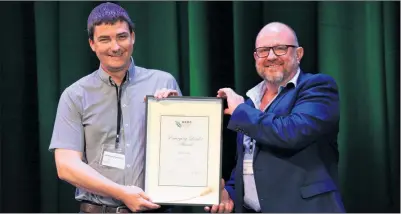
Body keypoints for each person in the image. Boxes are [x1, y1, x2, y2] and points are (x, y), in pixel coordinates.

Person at [48, 2, 181, 213]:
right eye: (104, 39)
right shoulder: (75, 95)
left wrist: (176, 116)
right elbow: (66, 166)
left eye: (121, 36)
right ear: (92, 43)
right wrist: (121, 193)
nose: (115, 47)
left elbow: (183, 151)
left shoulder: (163, 83)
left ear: (133, 37)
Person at [210, 22, 346, 212]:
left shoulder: (318, 87)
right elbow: (248, 162)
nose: (271, 56)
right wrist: (230, 194)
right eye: (264, 50)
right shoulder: (251, 103)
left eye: (281, 49)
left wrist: (240, 109)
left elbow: (292, 132)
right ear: (256, 57)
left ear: (298, 54)